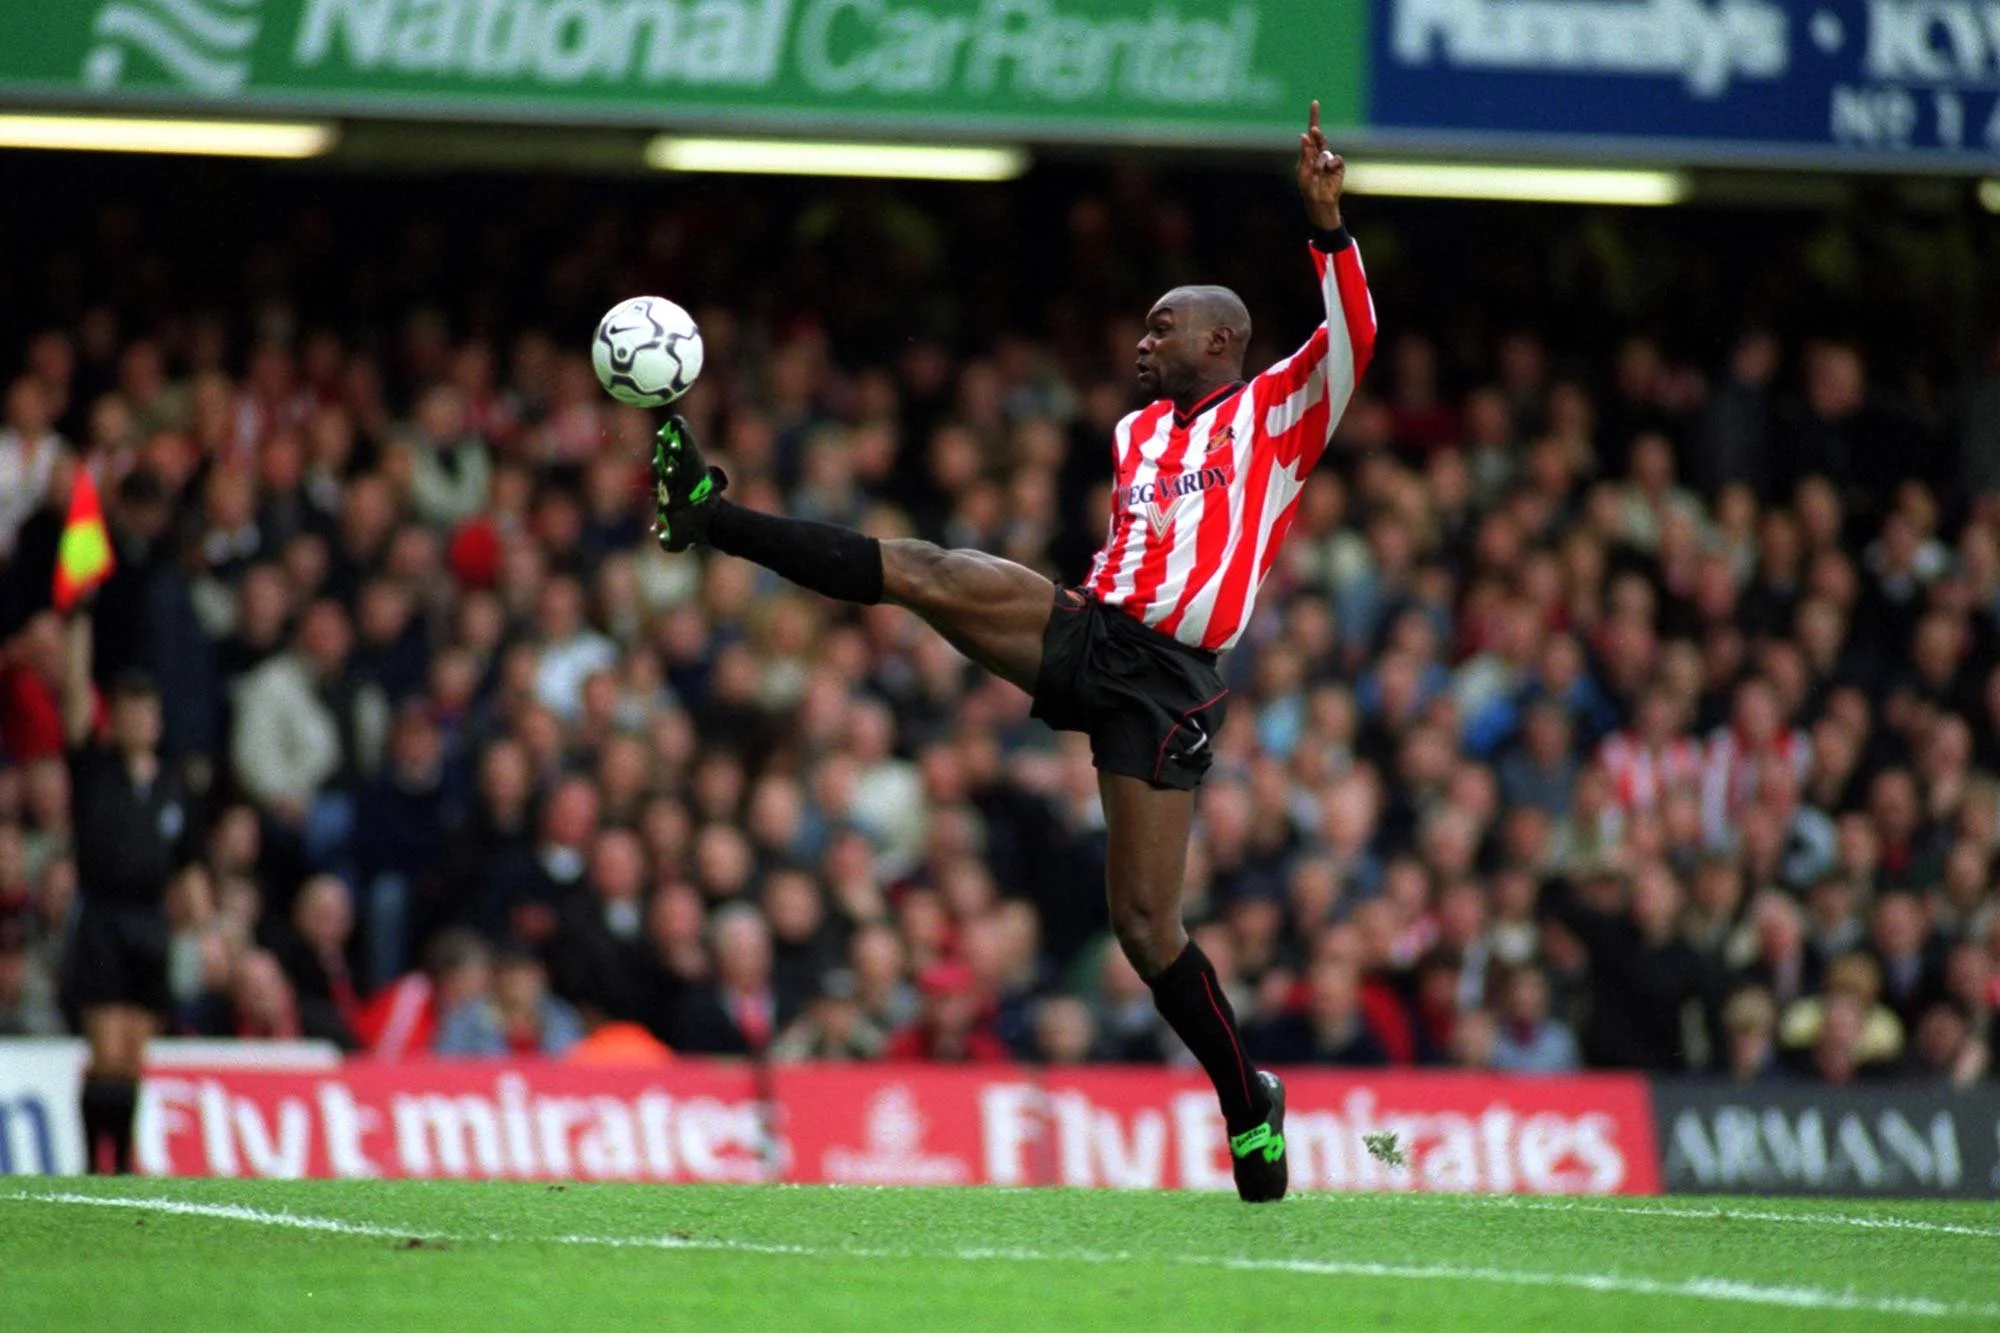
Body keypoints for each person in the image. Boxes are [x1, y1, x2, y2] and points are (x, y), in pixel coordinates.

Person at [646, 103, 1373, 1203]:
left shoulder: (1279, 411)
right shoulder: (1136, 433)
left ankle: (1245, 1101)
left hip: (1167, 684)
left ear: (1221, 342)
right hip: (1089, 626)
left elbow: (1354, 336)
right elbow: (1141, 548)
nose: (1142, 342)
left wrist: (1326, 226)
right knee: (928, 569)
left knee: (1144, 929)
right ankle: (710, 514)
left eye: (1162, 327)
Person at [60, 612, 193, 1173]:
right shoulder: (94, 770)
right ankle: (94, 1163)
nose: (140, 722)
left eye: (147, 712)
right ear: (113, 719)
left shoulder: (171, 785)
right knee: (107, 1046)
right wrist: (79, 622)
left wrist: (206, 928)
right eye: (130, 712)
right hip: (103, 919)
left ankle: (122, 1162)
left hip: (150, 921)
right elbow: (73, 694)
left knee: (135, 1051)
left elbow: (187, 863)